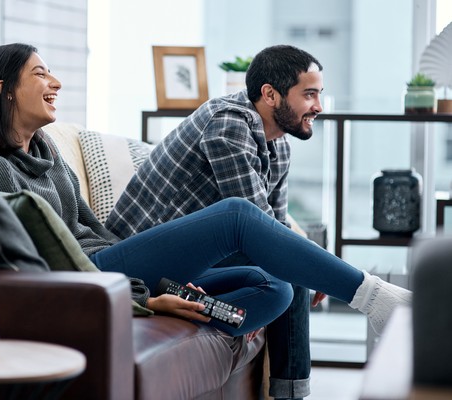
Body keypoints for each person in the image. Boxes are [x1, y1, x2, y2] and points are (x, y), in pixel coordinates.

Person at [0, 43, 411, 400]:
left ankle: (232, 336)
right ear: (3, 88)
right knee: (238, 216)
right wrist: (143, 298)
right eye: (40, 73)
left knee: (276, 286)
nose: (55, 82)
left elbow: (91, 230)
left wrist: (166, 286)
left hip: (121, 266)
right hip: (100, 277)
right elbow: (36, 265)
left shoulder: (47, 154)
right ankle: (372, 297)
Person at [104, 44, 374, 399]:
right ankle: (369, 297)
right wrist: (312, 265)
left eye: (319, 94)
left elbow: (274, 228)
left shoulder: (280, 147)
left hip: (193, 267)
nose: (318, 107)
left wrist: (308, 262)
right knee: (290, 264)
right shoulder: (228, 122)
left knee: (283, 282)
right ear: (270, 94)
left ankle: (290, 393)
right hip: (146, 263)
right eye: (309, 95)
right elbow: (257, 231)